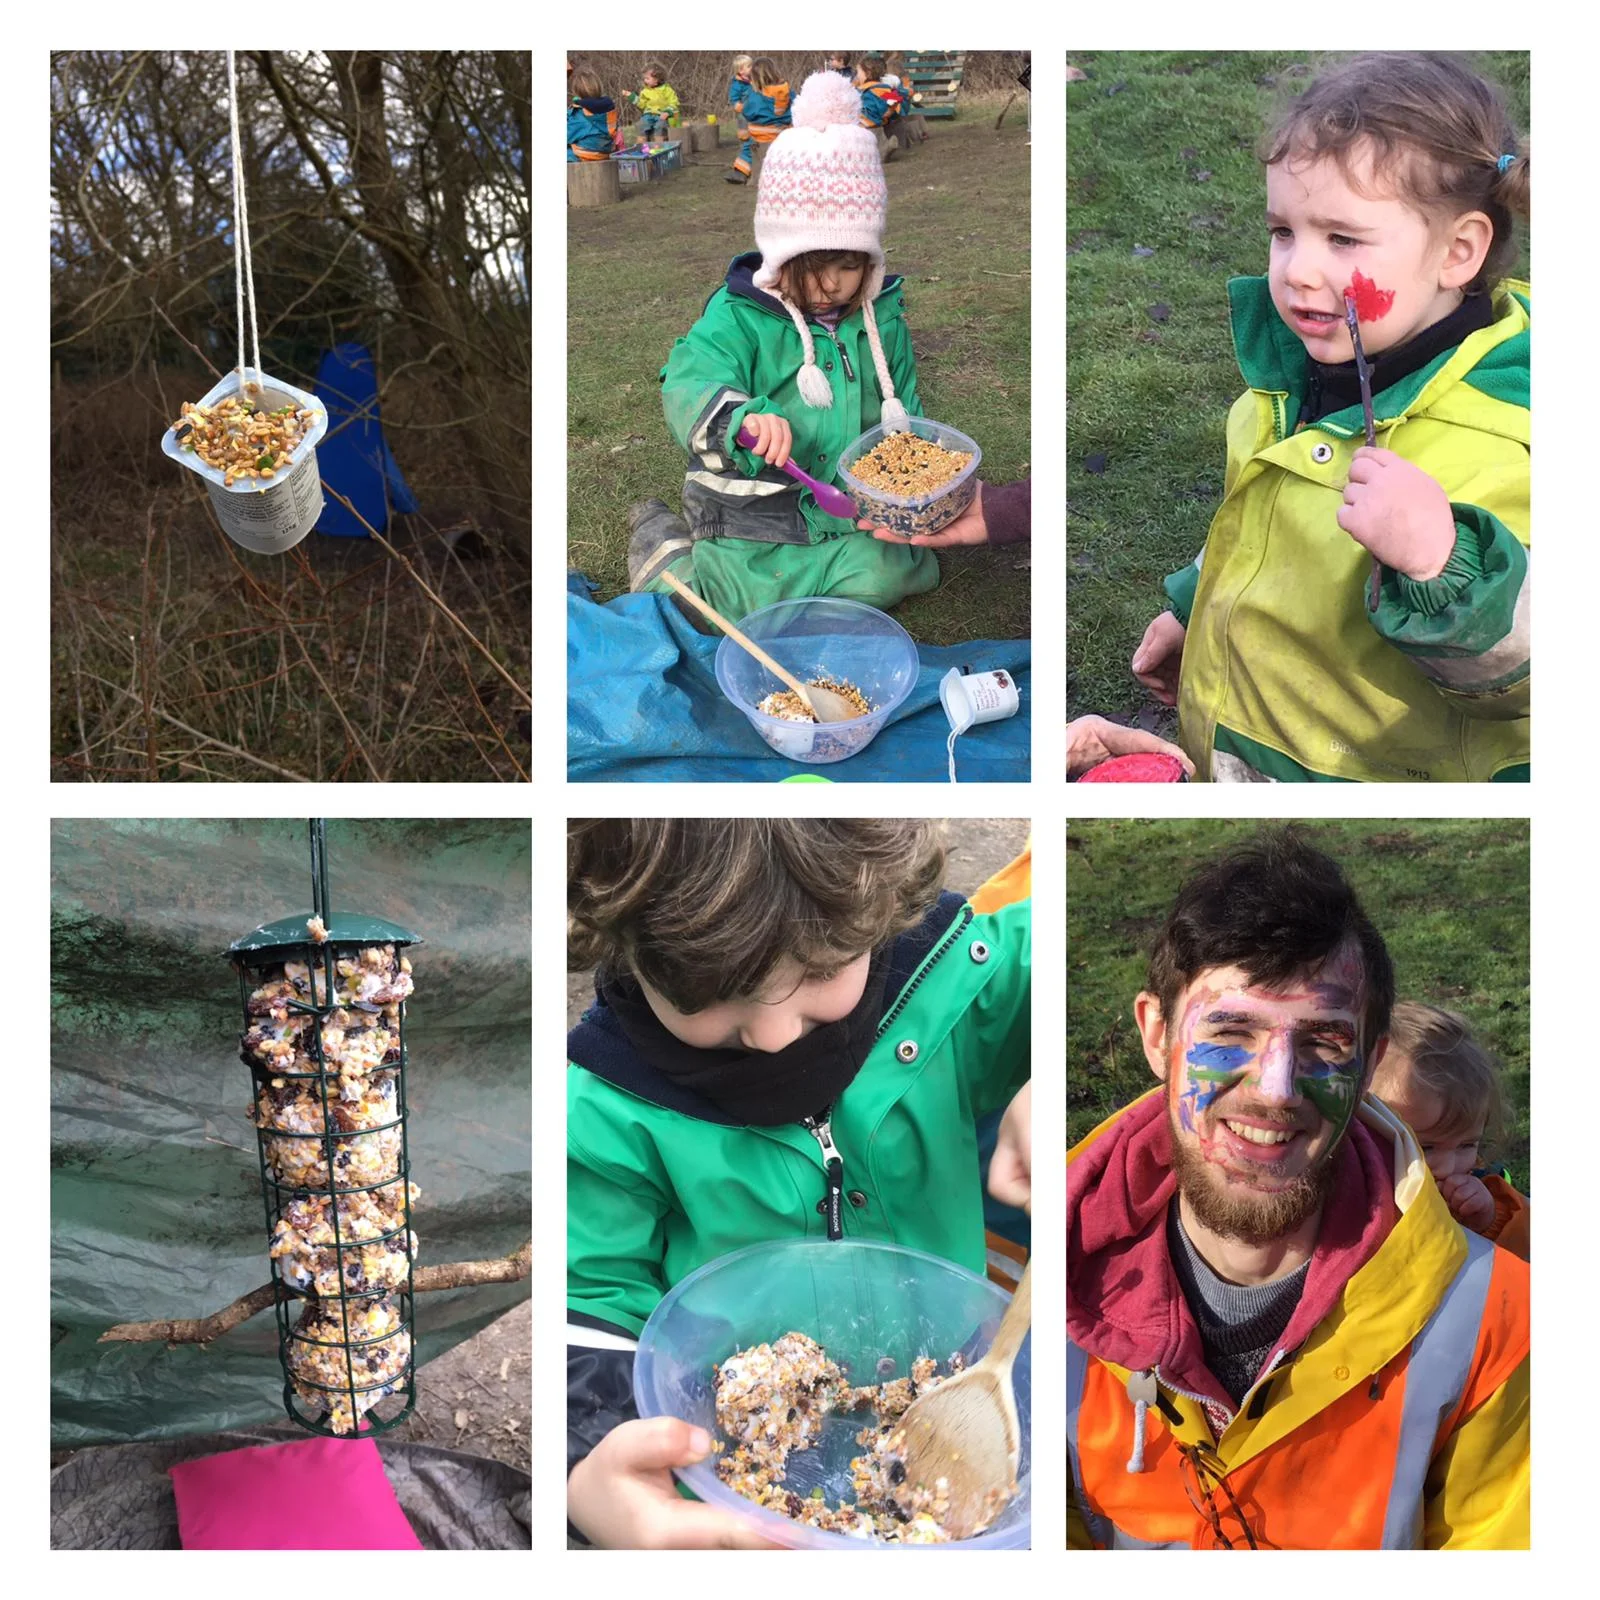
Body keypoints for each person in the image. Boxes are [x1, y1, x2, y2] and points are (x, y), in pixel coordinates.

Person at [566, 819, 1031, 1548]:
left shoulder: (953, 980)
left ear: (878, 912)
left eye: (820, 970)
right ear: (629, 947)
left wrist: (1048, 1073)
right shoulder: (606, 1106)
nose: (775, 1037)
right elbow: (590, 1299)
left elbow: (1052, 956)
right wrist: (591, 1467)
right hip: (726, 1459)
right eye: (712, 992)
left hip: (953, 1386)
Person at [1067, 829, 1529, 1548]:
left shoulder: (1499, 1323)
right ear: (1157, 1036)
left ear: (1369, 1062)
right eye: (1231, 1031)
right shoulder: (1051, 1274)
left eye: (1323, 1042)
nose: (1276, 1090)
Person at [1129, 54, 1529, 782]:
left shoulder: (1511, 439)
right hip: (1244, 752)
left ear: (1458, 251)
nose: (1297, 271)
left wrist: (1445, 565)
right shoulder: (1281, 388)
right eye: (1283, 231)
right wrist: (1196, 611)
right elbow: (1261, 527)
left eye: (1342, 239)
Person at [630, 70, 937, 623]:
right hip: (756, 511)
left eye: (849, 266)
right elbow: (688, 379)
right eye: (813, 267)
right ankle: (664, 544)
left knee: (897, 571)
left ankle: (809, 585)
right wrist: (742, 419)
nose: (832, 285)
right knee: (724, 606)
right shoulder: (738, 314)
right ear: (779, 255)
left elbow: (905, 404)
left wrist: (912, 473)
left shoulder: (881, 317)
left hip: (845, 510)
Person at [1369, 1001, 1528, 1260]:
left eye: (1467, 1145)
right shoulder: (1346, 1194)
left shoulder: (1485, 1193)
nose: (1448, 1167)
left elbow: (1519, 1261)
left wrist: (1487, 1223)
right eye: (1426, 1147)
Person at [725, 57, 791, 184]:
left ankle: (741, 171)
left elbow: (748, 112)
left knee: (748, 145)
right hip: (782, 134)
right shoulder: (788, 92)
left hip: (762, 136)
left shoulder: (756, 96)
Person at [567, 68, 618, 163]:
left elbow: (568, 136)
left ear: (576, 92)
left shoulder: (579, 114)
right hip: (605, 153)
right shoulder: (608, 110)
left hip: (584, 155)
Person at [631, 62, 679, 145]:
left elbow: (674, 103)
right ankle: (641, 147)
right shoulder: (645, 91)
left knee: (660, 126)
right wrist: (632, 97)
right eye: (644, 78)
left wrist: (667, 112)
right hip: (648, 114)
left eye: (647, 78)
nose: (645, 81)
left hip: (662, 114)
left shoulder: (667, 90)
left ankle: (659, 146)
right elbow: (642, 104)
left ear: (656, 80)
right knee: (641, 125)